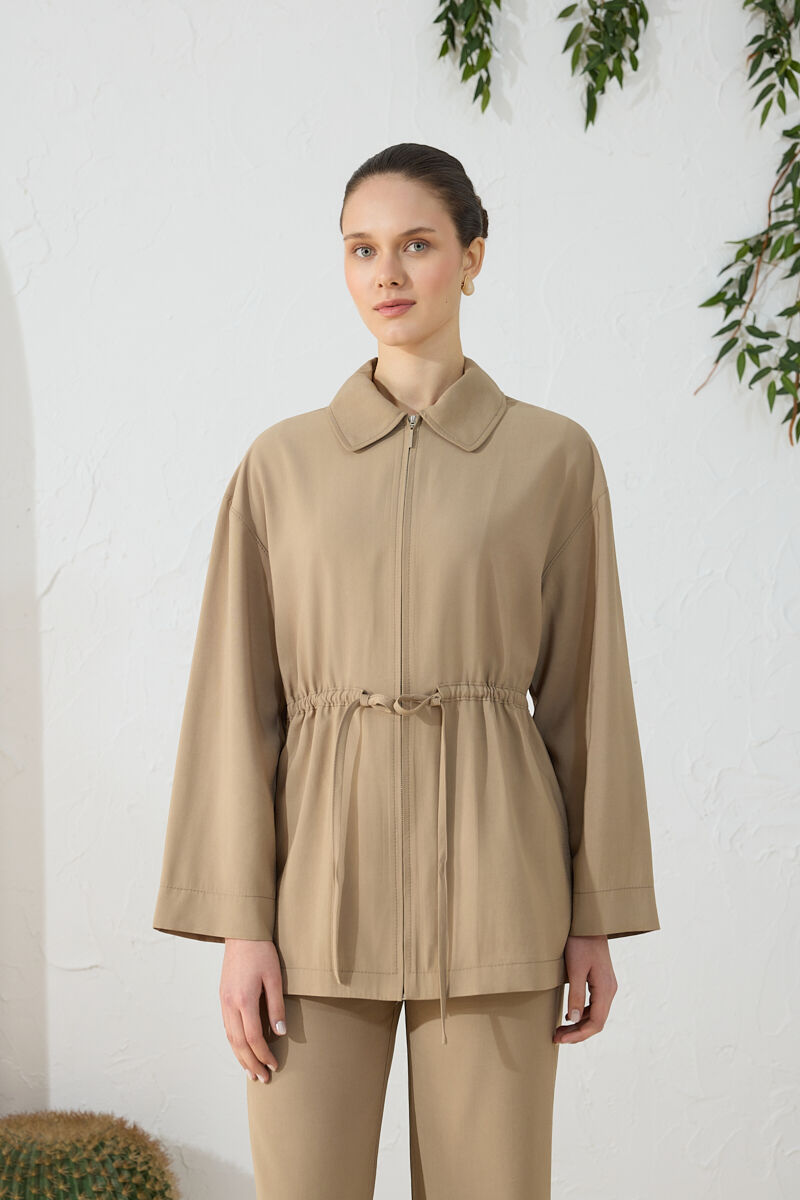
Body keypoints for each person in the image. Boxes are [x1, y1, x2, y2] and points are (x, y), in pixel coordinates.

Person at [153, 142, 660, 1199]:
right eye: (361, 249)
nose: (385, 274)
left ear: (472, 258)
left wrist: (592, 913)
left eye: (416, 245)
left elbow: (589, 700)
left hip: (500, 885)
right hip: (313, 894)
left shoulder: (553, 457)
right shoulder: (281, 464)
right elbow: (233, 706)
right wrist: (242, 924)